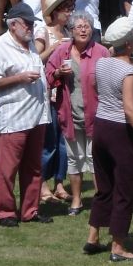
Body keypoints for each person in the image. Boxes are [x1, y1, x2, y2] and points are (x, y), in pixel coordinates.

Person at [84, 17, 133, 261]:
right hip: (120, 132)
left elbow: (97, 87)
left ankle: (93, 236)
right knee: (123, 189)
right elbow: (130, 110)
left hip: (101, 127)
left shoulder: (102, 64)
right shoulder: (129, 72)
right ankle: (118, 245)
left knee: (104, 185)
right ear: (129, 44)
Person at [0, 2, 52, 227]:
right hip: (14, 116)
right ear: (13, 25)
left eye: (32, 23)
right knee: (8, 168)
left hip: (37, 115)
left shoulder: (30, 44)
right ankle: (5, 212)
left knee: (33, 166)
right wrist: (20, 78)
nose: (31, 27)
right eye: (27, 23)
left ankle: (30, 210)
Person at [45, 12, 108, 215]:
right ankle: (77, 200)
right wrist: (57, 74)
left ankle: (101, 200)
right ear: (70, 31)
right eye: (79, 26)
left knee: (94, 158)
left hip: (96, 114)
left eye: (86, 26)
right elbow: (47, 75)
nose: (83, 29)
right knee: (74, 158)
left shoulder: (101, 52)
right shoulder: (62, 52)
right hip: (70, 114)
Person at [34, 0, 73, 203]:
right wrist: (54, 48)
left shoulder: (68, 31)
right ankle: (42, 184)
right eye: (66, 9)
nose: (70, 13)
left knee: (63, 142)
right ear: (55, 11)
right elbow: (36, 59)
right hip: (48, 94)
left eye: (70, 8)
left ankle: (59, 183)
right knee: (48, 141)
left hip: (65, 94)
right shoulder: (43, 31)